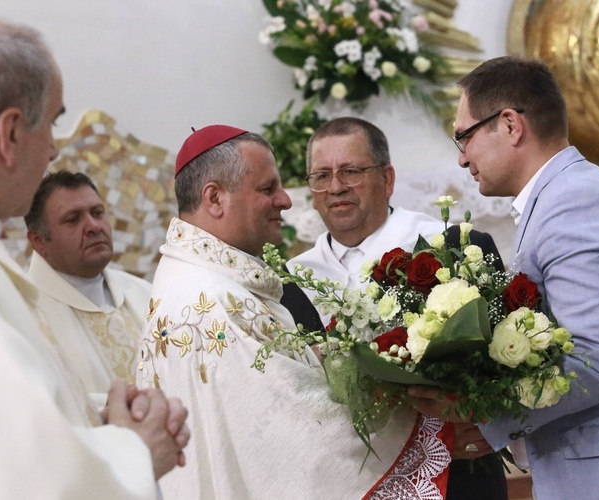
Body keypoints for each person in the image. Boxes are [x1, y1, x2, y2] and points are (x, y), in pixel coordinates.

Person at [0, 17, 188, 498]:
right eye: (54, 121)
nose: (55, 148)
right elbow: (7, 478)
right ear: (11, 134)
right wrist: (135, 453)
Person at [138, 124, 454, 498]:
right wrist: (431, 414)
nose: (286, 200)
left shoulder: (195, 283)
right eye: (268, 188)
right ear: (214, 198)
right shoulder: (212, 302)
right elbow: (299, 439)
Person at [411, 55, 599, 499]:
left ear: (510, 124)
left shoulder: (575, 203)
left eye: (464, 136)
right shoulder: (568, 196)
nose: (461, 158)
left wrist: (485, 412)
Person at [286, 116, 508, 500]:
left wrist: (483, 421)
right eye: (321, 175)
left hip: (460, 478)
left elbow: (505, 365)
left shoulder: (453, 247)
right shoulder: (292, 284)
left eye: (351, 171)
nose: (335, 187)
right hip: (352, 485)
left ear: (387, 179)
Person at [25, 171, 150, 396]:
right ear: (39, 241)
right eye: (73, 219)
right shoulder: (26, 313)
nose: (93, 226)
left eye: (97, 213)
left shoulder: (146, 293)